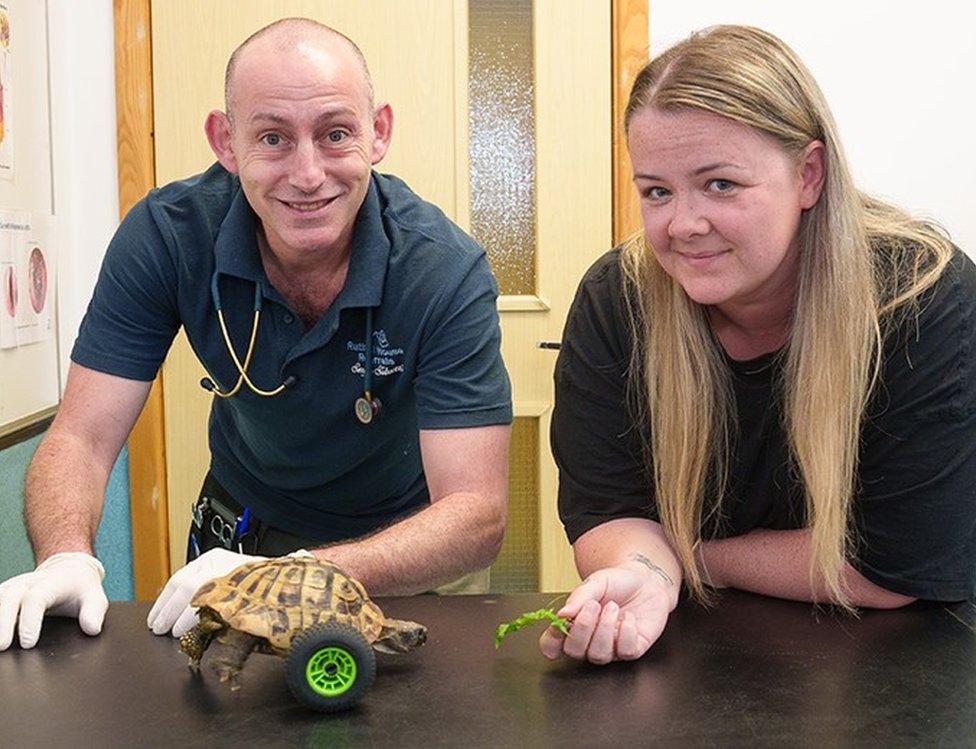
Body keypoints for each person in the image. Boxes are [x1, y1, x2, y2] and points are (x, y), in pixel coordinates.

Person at [0, 18, 512, 652]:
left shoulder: (442, 270)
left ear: (377, 132)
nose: (306, 173)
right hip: (240, 534)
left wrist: (298, 576)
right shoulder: (169, 235)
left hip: (403, 553)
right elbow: (81, 434)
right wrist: (66, 557)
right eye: (272, 137)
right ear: (226, 141)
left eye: (335, 134)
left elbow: (475, 514)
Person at [540, 24, 976, 665]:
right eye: (656, 191)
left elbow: (897, 566)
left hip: (906, 659)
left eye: (720, 184)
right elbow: (609, 508)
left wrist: (687, 561)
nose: (683, 225)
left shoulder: (922, 298)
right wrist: (645, 573)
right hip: (693, 657)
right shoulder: (618, 300)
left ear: (808, 174)